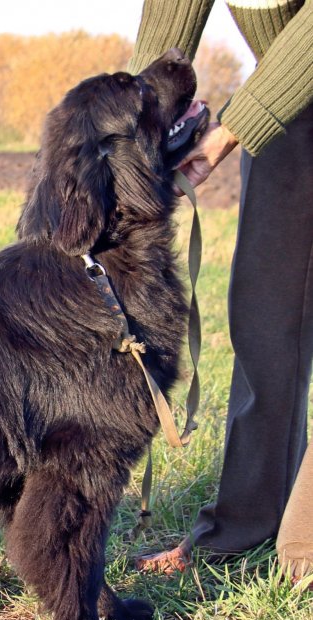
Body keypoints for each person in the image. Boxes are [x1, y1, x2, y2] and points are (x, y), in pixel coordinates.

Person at [126, 0, 313, 583]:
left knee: (303, 554)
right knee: (265, 323)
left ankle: (304, 550)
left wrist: (228, 131)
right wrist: (134, 135)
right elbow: (165, 36)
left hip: (272, 102)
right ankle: (241, 527)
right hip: (293, 107)